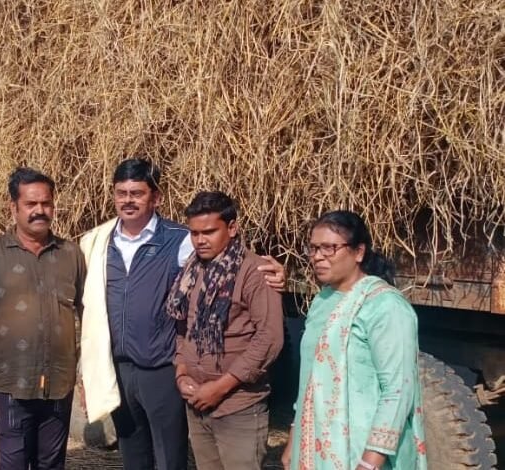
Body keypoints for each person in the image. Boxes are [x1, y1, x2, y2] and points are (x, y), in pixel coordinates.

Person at [79, 158, 285, 470]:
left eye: (137, 193)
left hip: (162, 368)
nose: (128, 200)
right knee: (132, 454)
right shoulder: (97, 243)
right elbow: (86, 309)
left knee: (169, 457)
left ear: (156, 197)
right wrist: (87, 372)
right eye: (121, 193)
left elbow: (231, 262)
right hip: (119, 369)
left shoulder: (181, 240)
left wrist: (275, 274)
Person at [281, 210, 427, 470]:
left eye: (329, 248)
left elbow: (397, 390)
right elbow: (309, 380)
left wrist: (370, 462)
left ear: (359, 252)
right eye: (313, 248)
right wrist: (294, 438)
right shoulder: (322, 300)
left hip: (362, 450)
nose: (318, 257)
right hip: (316, 447)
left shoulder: (385, 306)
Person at [0, 167, 86, 470]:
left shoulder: (71, 254)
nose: (39, 211)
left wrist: (87, 376)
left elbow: (88, 316)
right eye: (30, 204)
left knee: (52, 464)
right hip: (11, 387)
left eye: (46, 203)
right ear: (14, 208)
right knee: (13, 464)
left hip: (59, 385)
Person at [168, 191, 283, 470]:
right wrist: (181, 373)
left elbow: (269, 339)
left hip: (237, 405)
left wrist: (220, 388)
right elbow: (183, 327)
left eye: (209, 232)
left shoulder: (255, 272)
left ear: (232, 228)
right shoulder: (191, 271)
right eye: (194, 233)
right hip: (197, 403)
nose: (200, 240)